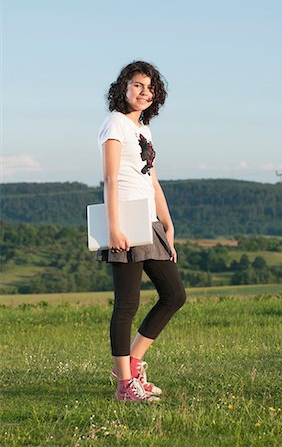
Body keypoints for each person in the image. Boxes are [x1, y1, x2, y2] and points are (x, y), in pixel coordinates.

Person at [96, 60, 186, 402]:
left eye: (150, 88)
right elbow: (110, 179)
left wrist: (168, 222)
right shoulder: (114, 124)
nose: (144, 92)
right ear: (124, 88)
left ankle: (133, 365)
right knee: (127, 305)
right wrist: (114, 226)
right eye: (138, 85)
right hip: (125, 222)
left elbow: (153, 181)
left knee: (174, 295)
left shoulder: (144, 130)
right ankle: (124, 385)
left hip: (149, 222)